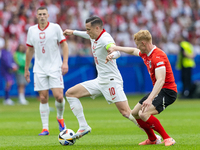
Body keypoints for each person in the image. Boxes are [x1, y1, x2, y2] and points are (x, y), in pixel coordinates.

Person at [63, 16, 139, 139]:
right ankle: (83, 126)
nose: (87, 32)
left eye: (89, 29)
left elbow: (116, 51)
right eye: (86, 29)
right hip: (100, 80)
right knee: (70, 94)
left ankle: (153, 136)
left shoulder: (105, 39)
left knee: (126, 112)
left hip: (111, 81)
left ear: (97, 28)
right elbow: (87, 35)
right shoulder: (94, 35)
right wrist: (73, 32)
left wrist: (112, 55)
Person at [106, 30, 177, 146]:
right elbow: (133, 51)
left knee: (143, 114)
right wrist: (116, 48)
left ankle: (168, 138)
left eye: (138, 44)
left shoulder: (158, 56)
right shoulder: (145, 53)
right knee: (134, 113)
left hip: (168, 92)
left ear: (143, 43)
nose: (137, 47)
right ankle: (153, 139)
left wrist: (149, 99)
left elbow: (161, 80)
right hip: (159, 91)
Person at [24, 6, 69, 136]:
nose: (42, 16)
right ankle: (45, 128)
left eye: (44, 14)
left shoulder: (55, 28)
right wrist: (27, 68)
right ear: (36, 16)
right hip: (39, 68)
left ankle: (60, 118)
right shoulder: (32, 30)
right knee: (43, 97)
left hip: (55, 67)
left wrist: (65, 62)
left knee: (59, 96)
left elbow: (64, 44)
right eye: (40, 14)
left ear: (48, 15)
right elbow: (29, 50)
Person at [0, 38, 18, 105]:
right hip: (5, 70)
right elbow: (5, 61)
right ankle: (6, 99)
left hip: (10, 70)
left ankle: (7, 99)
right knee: (8, 83)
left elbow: (12, 60)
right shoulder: (3, 52)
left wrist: (14, 65)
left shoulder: (9, 52)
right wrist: (11, 66)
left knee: (10, 83)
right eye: (7, 43)